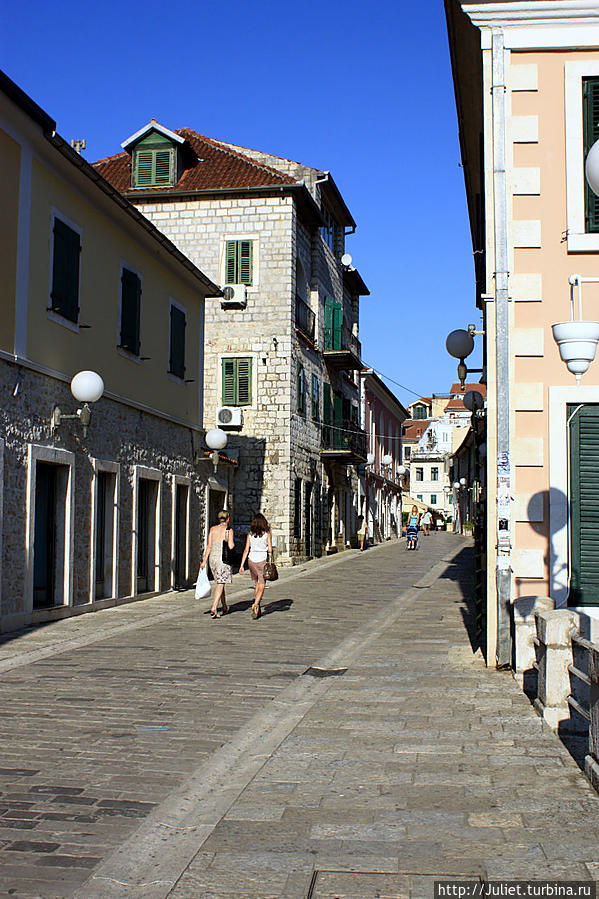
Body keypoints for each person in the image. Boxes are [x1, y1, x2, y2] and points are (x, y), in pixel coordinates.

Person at [200, 510, 235, 618]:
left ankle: (224, 606)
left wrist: (204, 561)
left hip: (213, 559)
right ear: (228, 519)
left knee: (220, 582)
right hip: (223, 559)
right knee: (221, 583)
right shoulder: (229, 530)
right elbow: (231, 546)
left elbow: (209, 546)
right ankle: (214, 607)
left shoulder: (212, 529)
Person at [239, 513, 273, 619]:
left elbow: (246, 550)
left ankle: (257, 609)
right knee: (262, 583)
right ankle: (256, 604)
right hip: (262, 559)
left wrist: (241, 565)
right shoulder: (267, 534)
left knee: (256, 583)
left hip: (251, 560)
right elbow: (270, 549)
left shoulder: (250, 534)